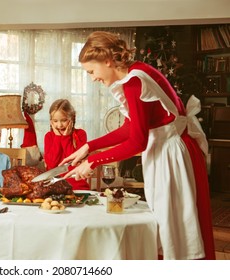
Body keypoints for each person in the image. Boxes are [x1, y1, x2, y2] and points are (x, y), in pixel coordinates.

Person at [61, 31, 215, 260]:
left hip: (170, 156)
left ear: (107, 60)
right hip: (170, 151)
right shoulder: (137, 72)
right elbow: (131, 128)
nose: (92, 78)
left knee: (176, 227)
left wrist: (92, 161)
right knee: (175, 226)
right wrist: (88, 147)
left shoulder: (134, 82)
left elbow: (137, 141)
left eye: (91, 71)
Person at [44, 99, 90, 191]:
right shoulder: (49, 136)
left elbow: (74, 163)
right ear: (51, 121)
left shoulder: (81, 134)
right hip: (54, 185)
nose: (59, 125)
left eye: (64, 120)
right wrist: (57, 137)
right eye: (55, 121)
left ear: (71, 118)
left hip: (76, 184)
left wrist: (66, 137)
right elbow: (52, 165)